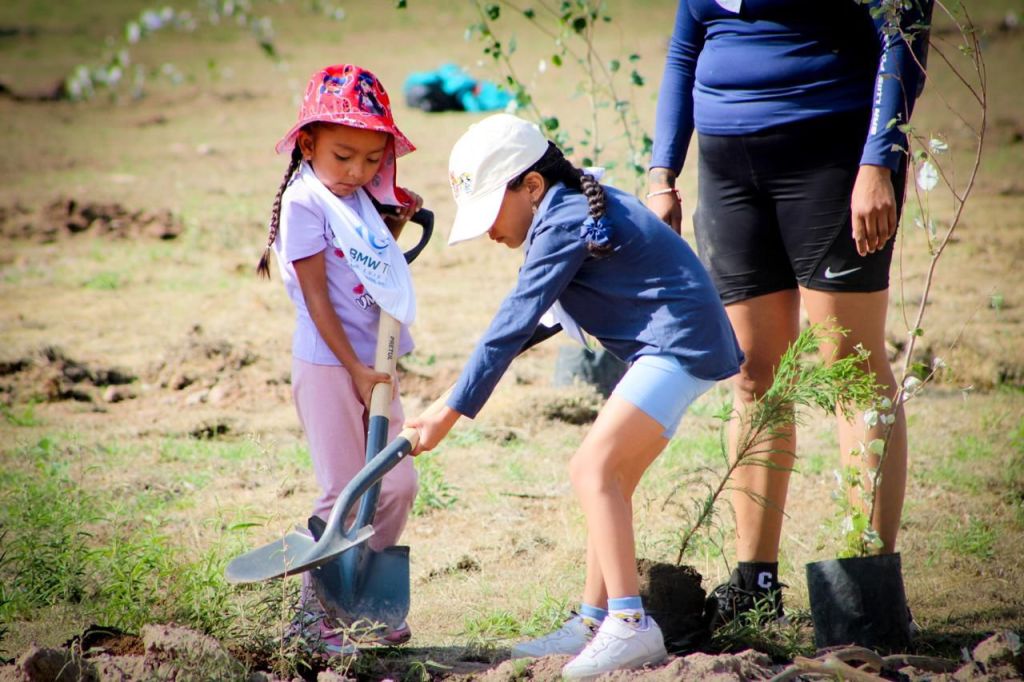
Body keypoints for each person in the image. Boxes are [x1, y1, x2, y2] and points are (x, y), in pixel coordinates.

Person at [407, 114, 744, 678]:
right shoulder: (563, 213)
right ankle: (594, 621)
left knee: (592, 468)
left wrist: (447, 415)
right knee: (610, 480)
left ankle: (631, 626)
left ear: (531, 186)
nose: (489, 231)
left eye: (491, 210)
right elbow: (528, 327)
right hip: (678, 345)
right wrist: (448, 396)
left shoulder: (564, 221)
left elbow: (513, 321)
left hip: (679, 344)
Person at [645, 1, 932, 626]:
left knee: (851, 372)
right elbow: (684, 46)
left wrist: (879, 159)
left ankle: (867, 585)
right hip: (726, 170)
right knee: (749, 375)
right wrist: (661, 171)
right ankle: (756, 582)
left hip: (832, 158)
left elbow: (903, 38)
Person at [256, 63, 424, 654]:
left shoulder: (356, 198)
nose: (359, 172)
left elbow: (368, 271)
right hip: (330, 366)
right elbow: (318, 299)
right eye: (344, 155)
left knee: (396, 484)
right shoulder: (304, 203)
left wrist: (394, 226)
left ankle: (361, 601)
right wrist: (352, 369)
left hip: (375, 364)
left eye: (374, 159)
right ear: (308, 143)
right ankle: (315, 616)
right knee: (341, 493)